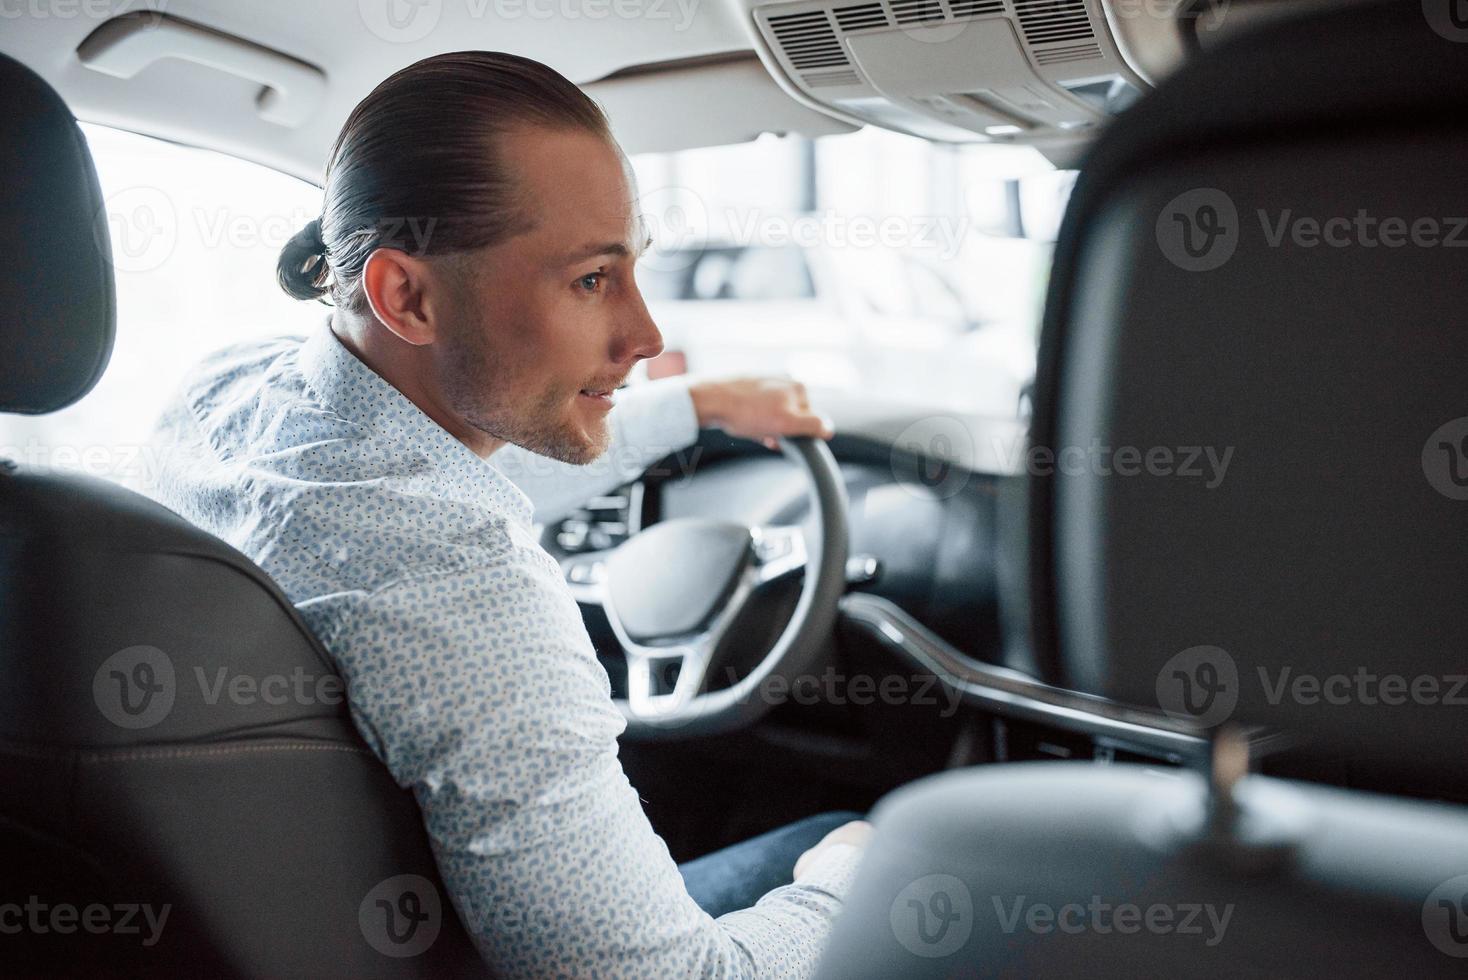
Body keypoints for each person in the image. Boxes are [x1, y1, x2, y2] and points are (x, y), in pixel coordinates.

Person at [142, 50, 871, 977]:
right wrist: (849, 884)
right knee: (858, 844)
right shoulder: (461, 586)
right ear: (406, 295)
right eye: (591, 281)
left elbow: (429, 475)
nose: (646, 337)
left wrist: (697, 407)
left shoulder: (234, 394)